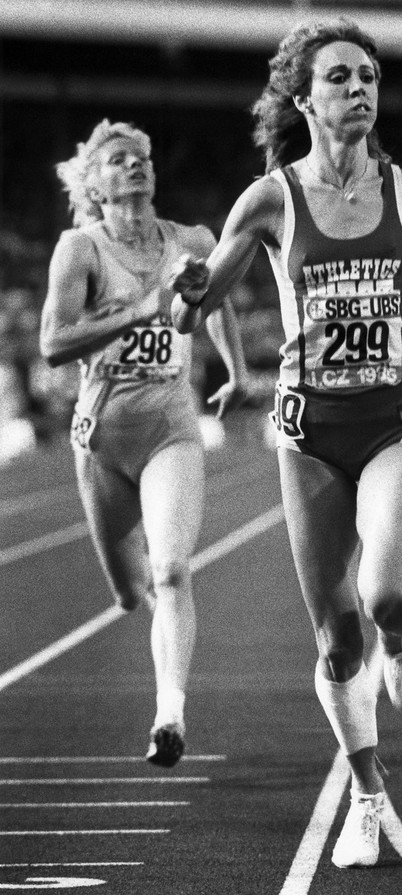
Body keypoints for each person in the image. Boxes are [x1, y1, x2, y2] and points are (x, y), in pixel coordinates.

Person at [170, 19, 402, 868]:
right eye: (342, 77)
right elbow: (200, 306)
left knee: (386, 595)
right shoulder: (271, 199)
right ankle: (367, 794)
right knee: (332, 640)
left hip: (391, 416)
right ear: (304, 97)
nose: (361, 89)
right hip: (307, 431)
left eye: (370, 77)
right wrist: (187, 295)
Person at [39, 119, 248, 767]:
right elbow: (53, 344)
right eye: (119, 160)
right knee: (131, 591)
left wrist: (236, 368)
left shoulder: (191, 240)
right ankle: (150, 611)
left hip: (170, 425)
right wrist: (140, 310)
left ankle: (170, 712)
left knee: (173, 567)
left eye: (142, 158)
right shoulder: (80, 248)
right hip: (101, 437)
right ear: (94, 183)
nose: (134, 166)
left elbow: (220, 301)